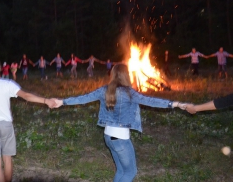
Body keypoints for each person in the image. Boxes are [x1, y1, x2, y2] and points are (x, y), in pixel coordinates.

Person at [53, 64, 186, 182]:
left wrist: (62, 102)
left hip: (108, 137)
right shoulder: (129, 93)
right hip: (121, 139)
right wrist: (175, 104)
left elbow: (83, 98)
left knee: (121, 171)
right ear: (125, 75)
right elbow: (151, 101)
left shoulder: (104, 90)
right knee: (130, 172)